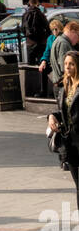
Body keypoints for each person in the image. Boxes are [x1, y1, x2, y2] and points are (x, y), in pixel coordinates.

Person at [48, 49, 79, 210]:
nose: (67, 67)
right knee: (78, 185)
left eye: (72, 64)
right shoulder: (64, 86)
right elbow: (62, 112)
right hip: (71, 143)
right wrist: (52, 117)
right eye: (66, 64)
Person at [49, 20, 79, 89]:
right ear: (73, 31)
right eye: (78, 35)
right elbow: (64, 67)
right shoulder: (63, 43)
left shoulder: (60, 40)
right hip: (63, 85)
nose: (78, 40)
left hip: (62, 84)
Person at [21, 0, 50, 65]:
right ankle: (42, 76)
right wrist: (44, 37)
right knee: (42, 64)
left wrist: (28, 36)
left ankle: (32, 76)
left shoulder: (25, 15)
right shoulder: (40, 14)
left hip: (30, 42)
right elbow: (47, 28)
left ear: (29, 2)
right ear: (37, 2)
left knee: (31, 65)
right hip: (41, 42)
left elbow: (22, 29)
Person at [40, 17, 65, 95]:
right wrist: (43, 61)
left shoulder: (62, 38)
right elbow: (47, 51)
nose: (54, 31)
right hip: (52, 62)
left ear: (60, 28)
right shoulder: (50, 38)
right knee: (43, 69)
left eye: (56, 29)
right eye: (52, 29)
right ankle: (43, 91)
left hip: (60, 63)